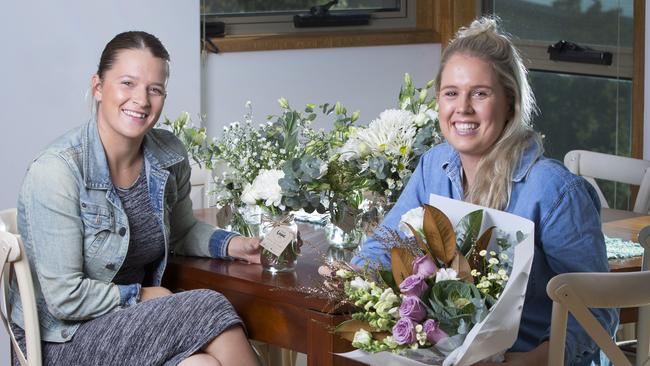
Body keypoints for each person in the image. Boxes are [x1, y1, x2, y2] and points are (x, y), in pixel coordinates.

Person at [352, 17, 618, 366]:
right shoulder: (435, 167)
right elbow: (384, 243)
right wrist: (355, 277)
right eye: (451, 94)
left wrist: (529, 362)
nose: (462, 108)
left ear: (510, 102)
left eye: (480, 93)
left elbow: (597, 315)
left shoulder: (554, 191)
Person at [10, 31, 261, 366]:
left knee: (202, 365)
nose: (141, 100)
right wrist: (140, 294)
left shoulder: (168, 155)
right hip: (60, 340)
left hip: (131, 327)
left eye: (154, 89)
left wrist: (232, 246)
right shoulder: (57, 172)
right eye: (127, 83)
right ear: (98, 87)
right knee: (210, 306)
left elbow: (182, 230)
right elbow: (64, 299)